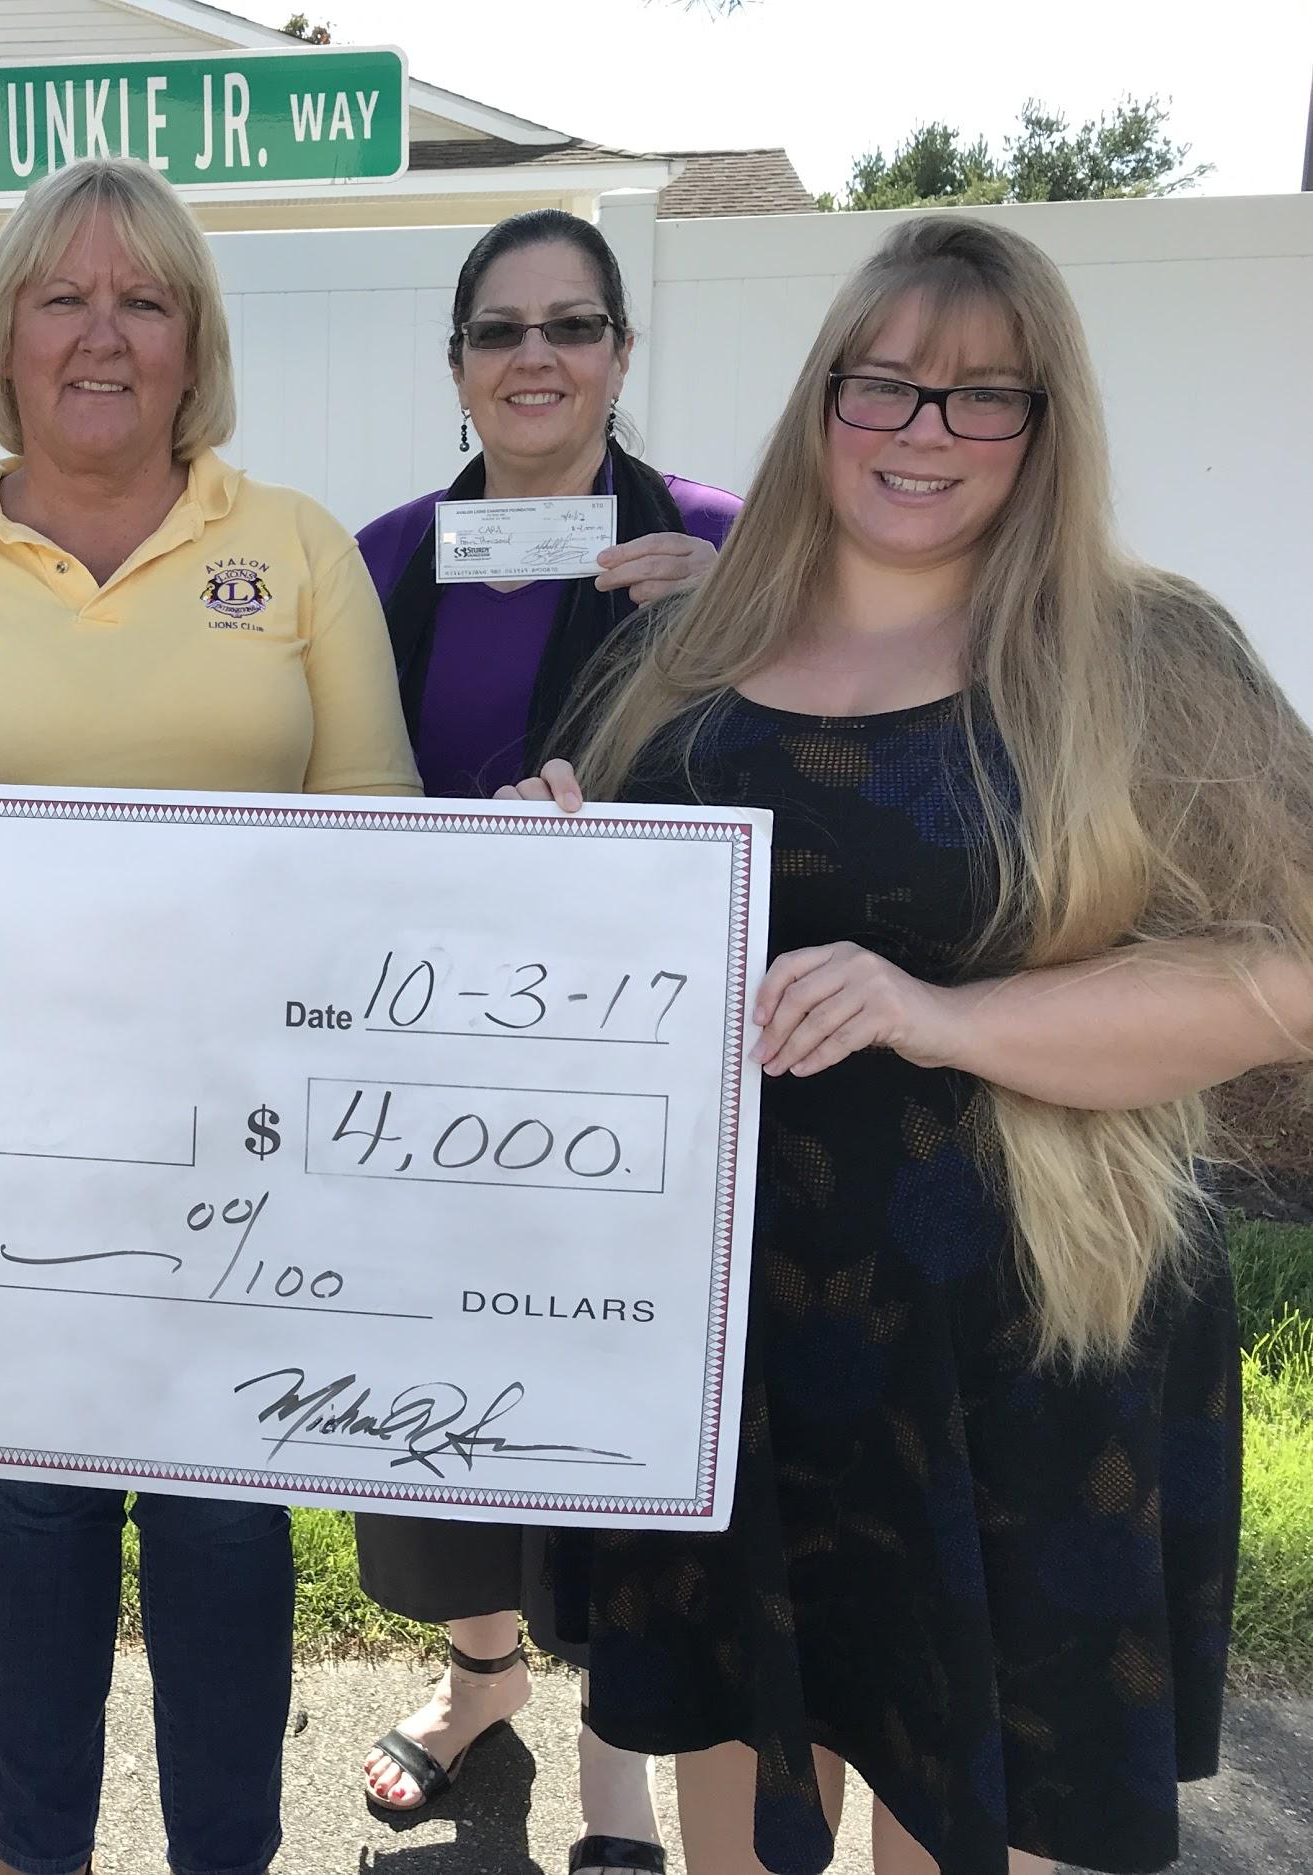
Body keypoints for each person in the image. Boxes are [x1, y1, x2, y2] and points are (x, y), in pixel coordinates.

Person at [500, 214, 1300, 1873]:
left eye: (981, 398)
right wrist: (554, 867)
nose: (923, 434)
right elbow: (601, 983)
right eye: (885, 386)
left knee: (957, 1818)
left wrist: (944, 1016)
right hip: (726, 1350)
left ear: (1044, 427)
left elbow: (1291, 968)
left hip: (1014, 1346)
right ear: (821, 404)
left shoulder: (1144, 655)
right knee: (730, 1778)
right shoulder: (679, 660)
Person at [0, 155, 419, 1875]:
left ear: (192, 343)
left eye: (143, 300)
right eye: (62, 299)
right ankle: (46, 1857)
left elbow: (373, 833)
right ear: (6, 339)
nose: (102, 334)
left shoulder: (293, 546)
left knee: (232, 1518)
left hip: (245, 1132)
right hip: (6, 1141)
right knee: (33, 1509)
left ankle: (231, 1856)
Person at [350, 208, 742, 1875]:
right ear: (455, 366)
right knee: (451, 1400)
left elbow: (837, 732)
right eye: (500, 331)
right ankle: (483, 1682)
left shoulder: (736, 541)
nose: (535, 358)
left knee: (617, 1401)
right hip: (439, 1064)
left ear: (621, 356)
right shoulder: (380, 555)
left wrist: (737, 617)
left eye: (571, 327)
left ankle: (616, 1761)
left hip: (648, 1077)